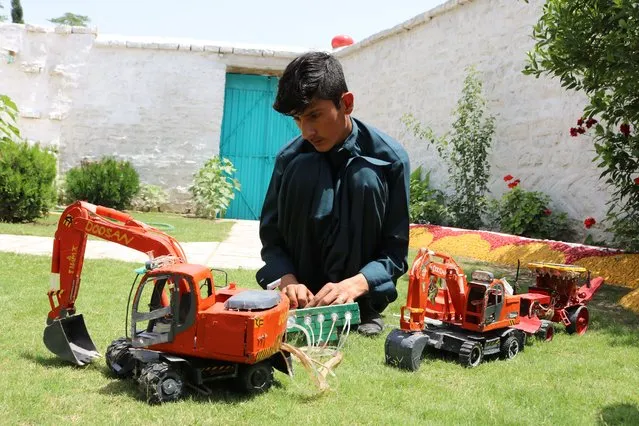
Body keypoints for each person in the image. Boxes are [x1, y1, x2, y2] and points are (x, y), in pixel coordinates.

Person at [255, 51, 410, 336]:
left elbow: (395, 253)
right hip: (298, 293)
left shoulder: (391, 159)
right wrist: (287, 280)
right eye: (298, 120)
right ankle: (301, 298)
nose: (307, 132)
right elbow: (272, 240)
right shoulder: (289, 159)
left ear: (346, 103)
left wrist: (355, 285)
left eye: (314, 115)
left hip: (360, 295)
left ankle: (364, 310)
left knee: (365, 176)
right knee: (304, 169)